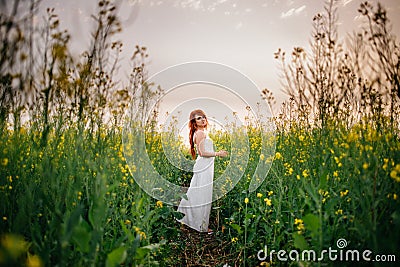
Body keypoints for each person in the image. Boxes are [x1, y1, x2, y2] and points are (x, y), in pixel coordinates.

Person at [176, 109, 228, 234]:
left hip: (206, 166)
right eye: (199, 118)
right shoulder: (199, 133)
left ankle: (185, 219)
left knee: (197, 193)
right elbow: (202, 152)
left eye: (204, 117)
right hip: (203, 166)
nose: (203, 119)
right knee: (201, 195)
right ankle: (200, 225)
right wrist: (218, 153)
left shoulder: (202, 132)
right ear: (194, 122)